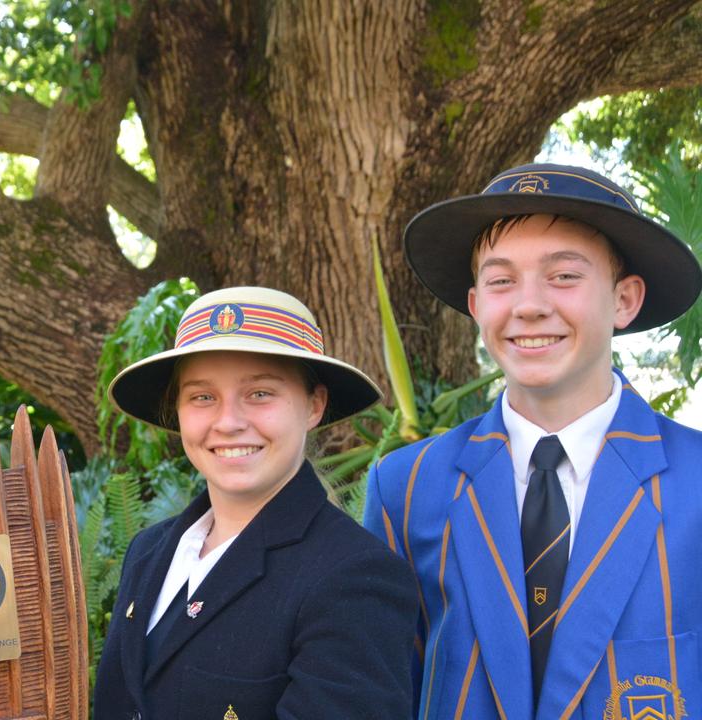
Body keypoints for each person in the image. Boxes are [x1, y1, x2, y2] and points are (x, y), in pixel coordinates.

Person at [364, 163, 702, 719]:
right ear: (476, 306)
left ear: (624, 300)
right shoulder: (406, 487)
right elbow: (385, 685)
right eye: (501, 281)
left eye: (564, 276)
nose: (528, 305)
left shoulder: (693, 480)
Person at [93, 286, 418, 719]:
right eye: (203, 397)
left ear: (313, 405)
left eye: (260, 393)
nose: (228, 422)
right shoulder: (148, 551)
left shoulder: (355, 575)